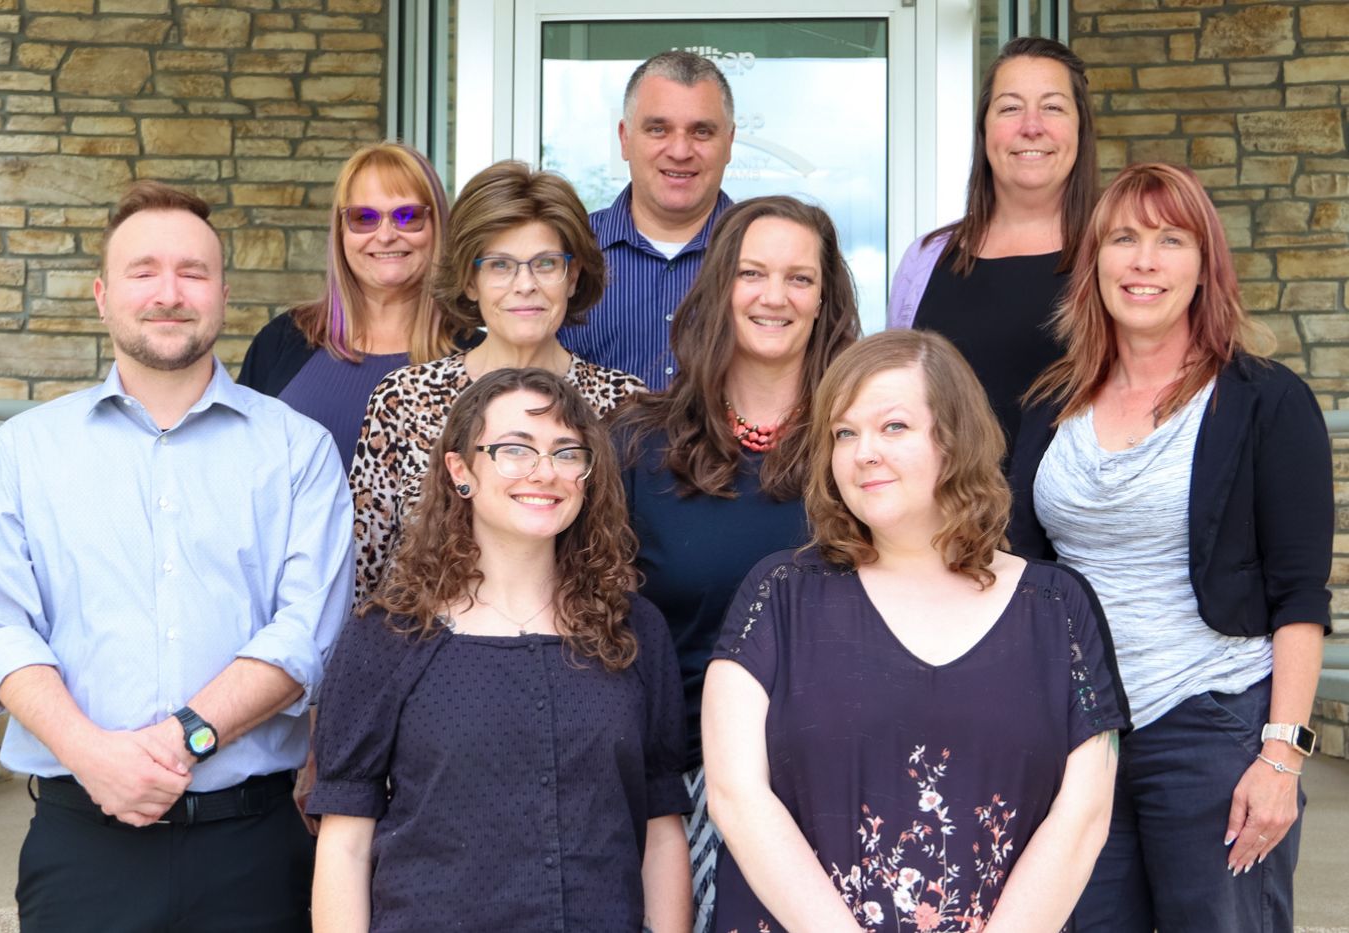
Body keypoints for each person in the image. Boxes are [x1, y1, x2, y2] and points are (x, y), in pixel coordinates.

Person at [0, 181, 355, 932]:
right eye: (144, 271)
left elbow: (306, 629)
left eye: (192, 272)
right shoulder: (28, 451)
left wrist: (182, 738)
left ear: (223, 293)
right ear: (103, 294)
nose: (169, 293)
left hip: (254, 848)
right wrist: (92, 755)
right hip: (81, 848)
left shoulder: (296, 448)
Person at [703, 330, 1128, 933]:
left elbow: (1083, 816)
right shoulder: (778, 595)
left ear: (955, 440)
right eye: (844, 433)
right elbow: (736, 799)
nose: (863, 452)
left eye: (893, 427)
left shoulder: (1057, 608)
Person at [1008, 163, 1332, 933]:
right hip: (1081, 731)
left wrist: (1281, 757)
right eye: (1123, 238)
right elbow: (1019, 570)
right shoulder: (1051, 401)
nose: (1144, 260)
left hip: (1213, 723)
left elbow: (1299, 597)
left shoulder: (1263, 399)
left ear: (1203, 265)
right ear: (1095, 264)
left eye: (1170, 239)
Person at [309, 367, 691, 933]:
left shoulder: (633, 632)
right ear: (461, 471)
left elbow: (661, 829)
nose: (545, 472)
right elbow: (344, 844)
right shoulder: (389, 635)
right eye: (516, 449)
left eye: (567, 453)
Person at [614, 195, 861, 931]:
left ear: (826, 301)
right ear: (720, 288)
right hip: (680, 785)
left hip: (838, 780)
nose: (775, 296)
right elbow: (596, 621)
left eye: (799, 278)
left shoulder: (862, 448)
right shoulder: (638, 444)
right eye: (753, 273)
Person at [348, 160, 643, 607]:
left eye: (545, 264)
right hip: (422, 652)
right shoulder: (404, 400)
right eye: (501, 266)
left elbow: (635, 567)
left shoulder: (625, 404)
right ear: (470, 280)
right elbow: (361, 569)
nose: (524, 285)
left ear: (573, 276)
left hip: (580, 658)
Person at [890, 36, 1098, 451]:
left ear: (1080, 127)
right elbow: (896, 401)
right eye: (1010, 107)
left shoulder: (1116, 252)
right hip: (950, 513)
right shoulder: (926, 258)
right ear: (984, 128)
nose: (1032, 125)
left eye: (1053, 107)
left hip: (1077, 515)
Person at [239, 141, 453, 473]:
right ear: (341, 231)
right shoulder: (282, 341)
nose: (385, 235)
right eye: (363, 217)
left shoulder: (474, 356)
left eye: (407, 216)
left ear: (437, 224)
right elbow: (236, 466)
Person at [560, 49, 736, 390]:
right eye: (658, 129)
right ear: (625, 138)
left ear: (729, 143)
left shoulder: (768, 258)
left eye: (701, 132)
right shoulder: (566, 252)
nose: (680, 151)